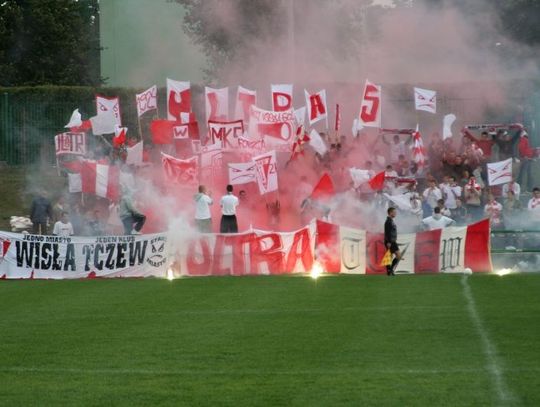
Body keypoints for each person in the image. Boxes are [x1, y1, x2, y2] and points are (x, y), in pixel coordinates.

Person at [384, 207, 401, 276]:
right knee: (397, 255)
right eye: (394, 212)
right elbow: (387, 232)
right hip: (390, 241)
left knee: (390, 256)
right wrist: (388, 242)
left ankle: (389, 270)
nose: (395, 213)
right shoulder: (388, 221)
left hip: (392, 241)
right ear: (390, 213)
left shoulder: (391, 220)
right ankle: (390, 269)